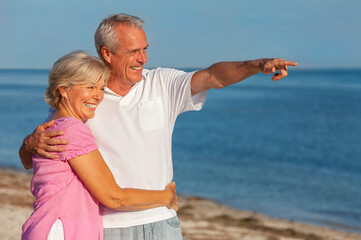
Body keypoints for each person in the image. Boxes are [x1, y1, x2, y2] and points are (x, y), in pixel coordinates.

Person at [19, 13, 298, 240]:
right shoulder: (87, 98)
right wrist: (28, 144)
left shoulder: (161, 83)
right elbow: (41, 157)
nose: (143, 59)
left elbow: (213, 76)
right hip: (107, 227)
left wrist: (256, 65)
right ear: (107, 53)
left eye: (145, 50)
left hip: (161, 223)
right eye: (133, 51)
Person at [21, 51, 179, 240]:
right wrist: (166, 197)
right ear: (63, 90)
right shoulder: (72, 130)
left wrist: (27, 144)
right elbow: (114, 197)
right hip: (61, 232)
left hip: (46, 228)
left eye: (101, 88)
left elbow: (27, 162)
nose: (98, 96)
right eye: (90, 87)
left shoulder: (52, 123)